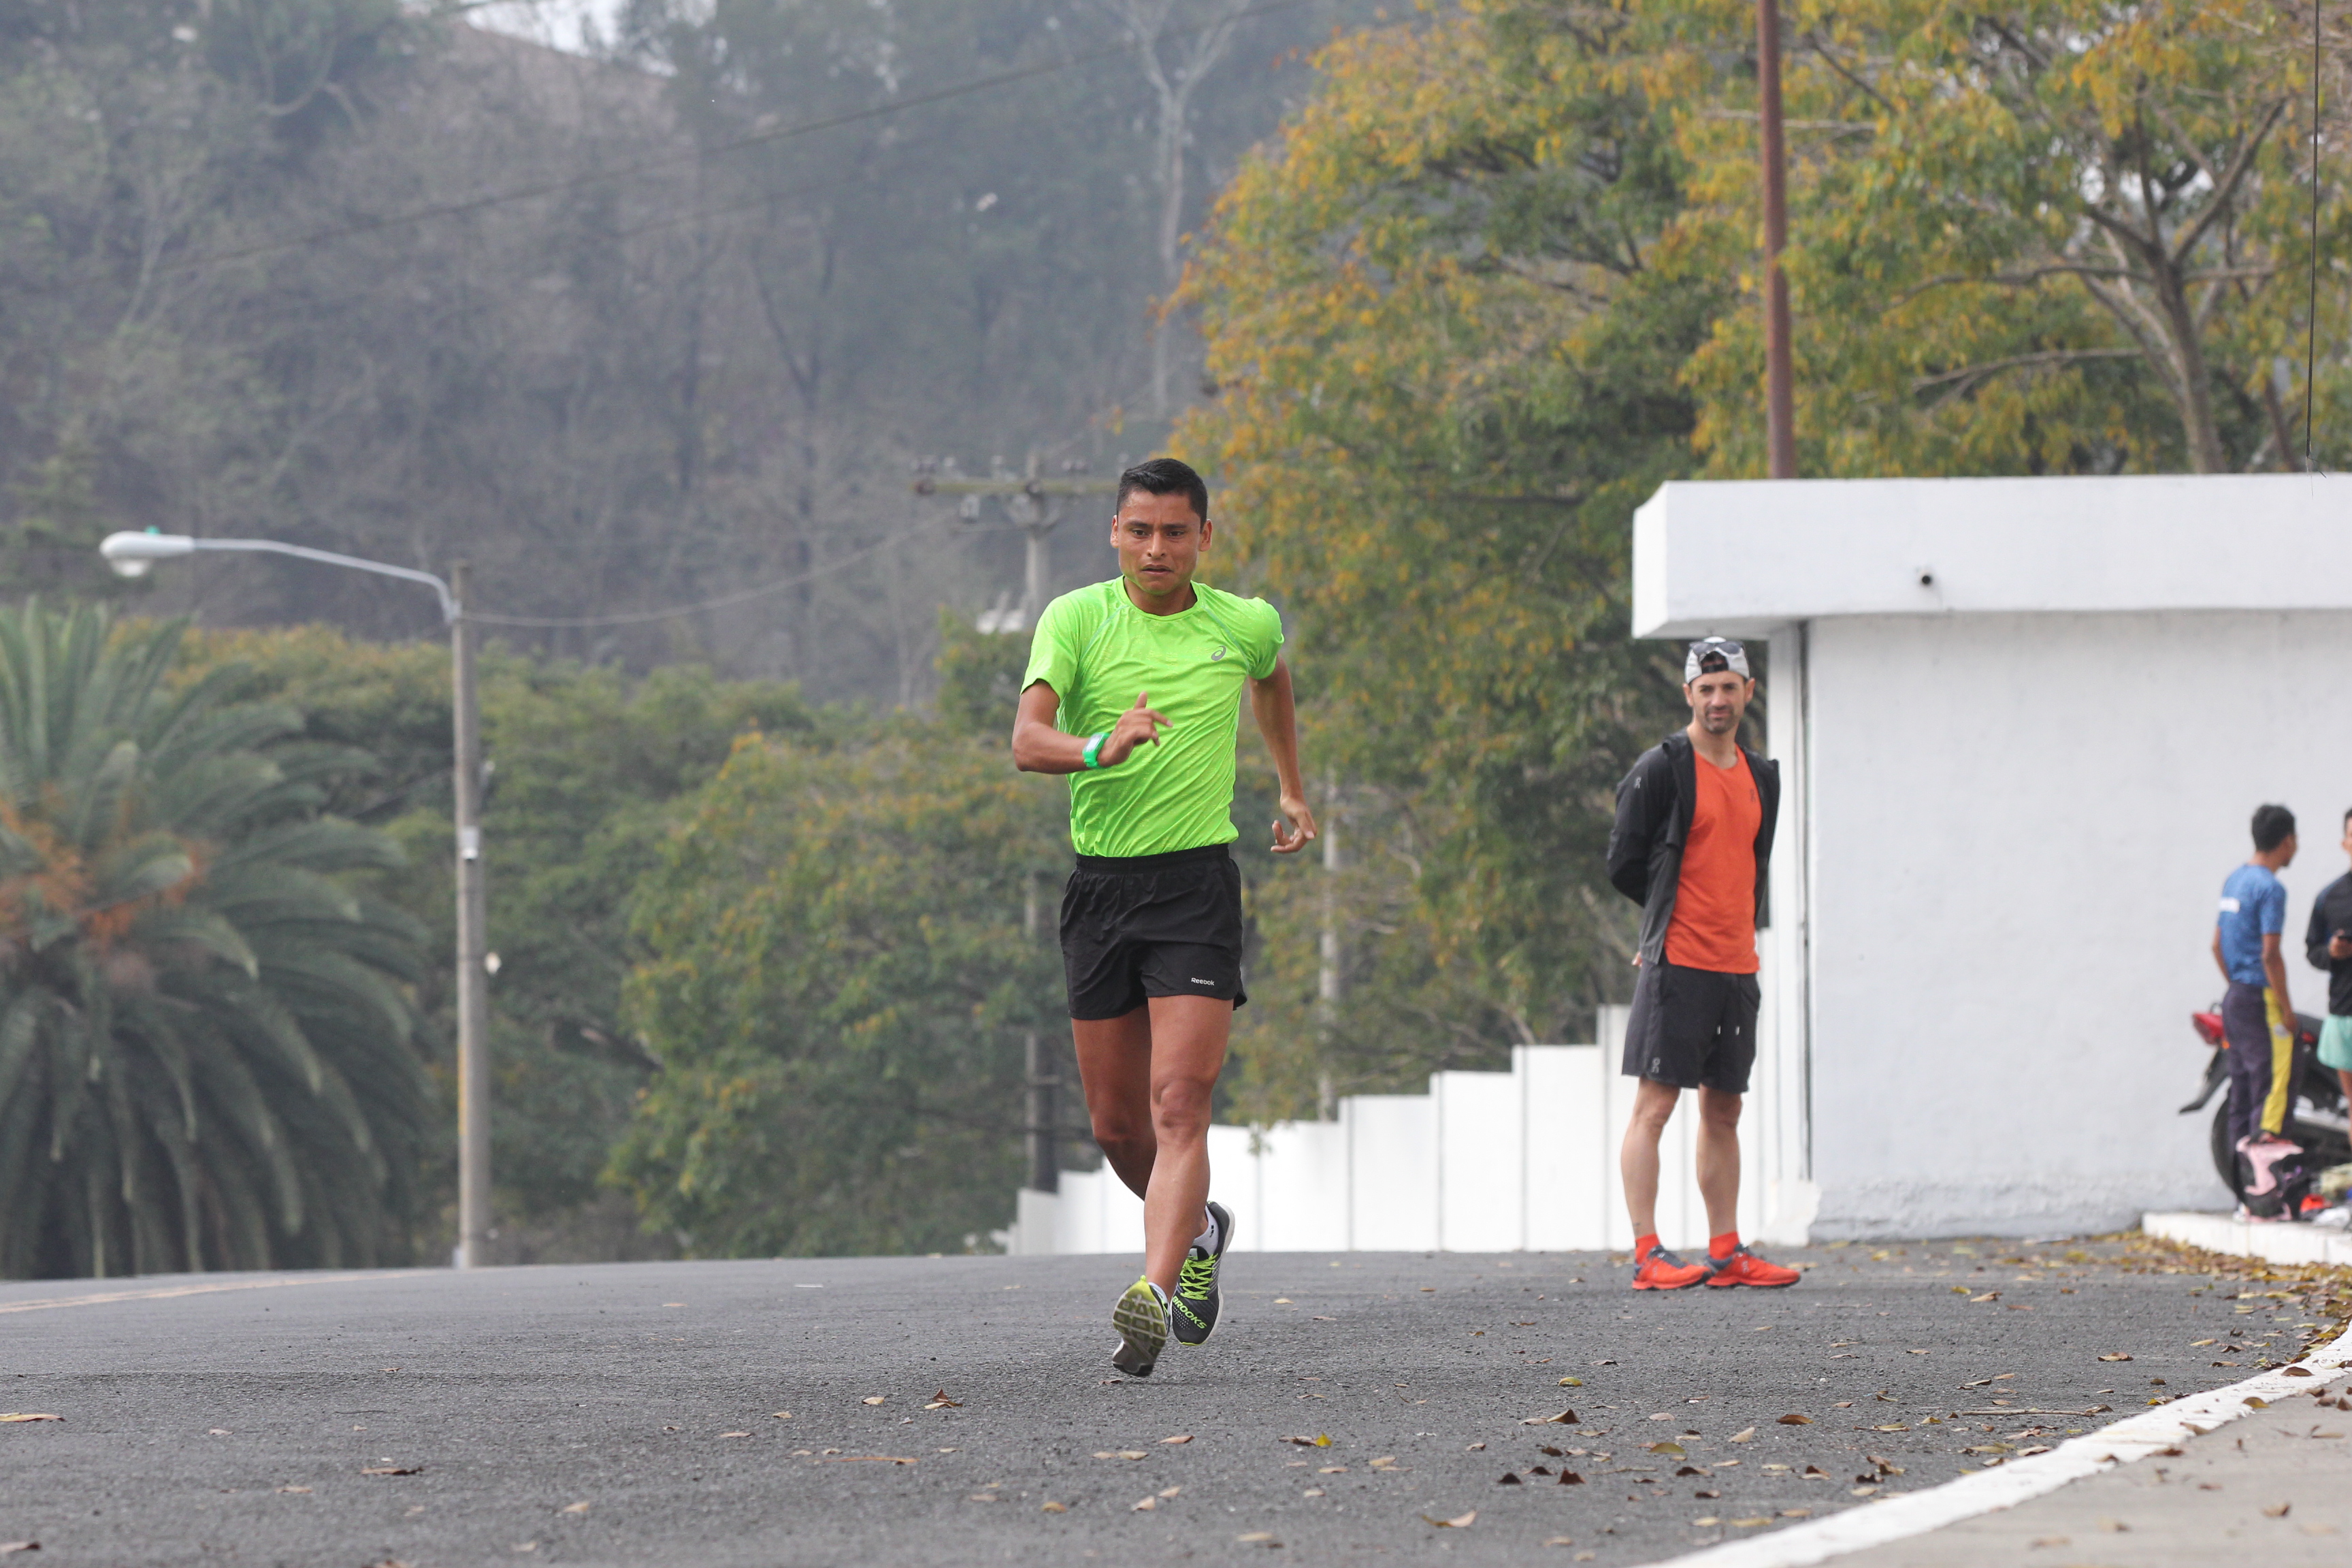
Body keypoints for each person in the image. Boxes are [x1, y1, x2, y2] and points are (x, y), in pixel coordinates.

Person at [1012, 457, 1316, 1375]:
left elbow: (1272, 682)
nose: (1156, 549)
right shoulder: (1075, 619)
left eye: (1174, 532)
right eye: (1139, 531)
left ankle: (1148, 1294)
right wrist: (1103, 745)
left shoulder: (1243, 624)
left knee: (1180, 1104)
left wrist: (1293, 789)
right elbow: (1028, 742)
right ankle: (1200, 1235)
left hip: (1195, 889)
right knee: (1117, 1129)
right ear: (1114, 532)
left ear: (1204, 539)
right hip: (1101, 889)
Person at [1605, 638, 1797, 1290]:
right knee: (1654, 1108)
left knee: (1724, 1111)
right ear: (1689, 694)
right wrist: (1660, 922)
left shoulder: (1761, 776)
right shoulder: (1662, 768)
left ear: (1747, 691)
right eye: (1706, 689)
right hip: (1678, 962)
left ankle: (1725, 1251)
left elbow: (1753, 867)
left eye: (1729, 687)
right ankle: (1648, 1253)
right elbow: (1624, 861)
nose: (1718, 700)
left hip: (1738, 966)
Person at [2213, 804, 2300, 1187]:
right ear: (2287, 841)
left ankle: (2243, 1192)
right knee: (2273, 1086)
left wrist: (2237, 983)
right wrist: (2285, 1008)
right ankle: (2266, 1189)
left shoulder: (2234, 880)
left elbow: (2216, 945)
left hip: (2234, 995)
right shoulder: (2270, 888)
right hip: (2260, 998)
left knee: (2242, 1094)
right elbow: (2270, 954)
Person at [2308, 808, 2352, 1112]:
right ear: (2345, 844)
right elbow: (2313, 950)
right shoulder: (2330, 897)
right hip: (2345, 1013)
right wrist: (2331, 954)